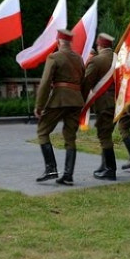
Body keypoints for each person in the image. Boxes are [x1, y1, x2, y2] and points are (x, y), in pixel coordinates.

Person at [34, 29, 87, 185]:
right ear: (70, 43)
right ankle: (68, 175)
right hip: (76, 100)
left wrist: (39, 105)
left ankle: (51, 169)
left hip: (59, 99)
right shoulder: (79, 59)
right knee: (70, 137)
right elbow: (83, 81)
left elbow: (44, 83)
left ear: (58, 42)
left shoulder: (54, 57)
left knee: (42, 130)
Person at [85, 33, 118, 180]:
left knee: (104, 135)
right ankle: (104, 165)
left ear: (99, 45)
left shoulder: (97, 61)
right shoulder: (120, 59)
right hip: (118, 103)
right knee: (107, 133)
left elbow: (87, 83)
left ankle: (110, 169)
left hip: (104, 103)